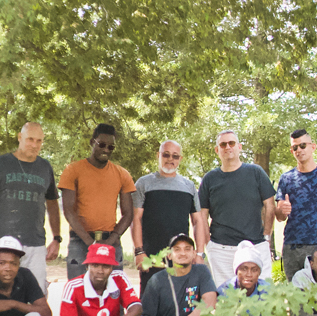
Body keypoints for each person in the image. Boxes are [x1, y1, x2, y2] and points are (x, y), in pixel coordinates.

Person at [0, 122, 61, 289]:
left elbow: (52, 204)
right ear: (20, 137)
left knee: (36, 297)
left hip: (35, 244)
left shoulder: (45, 167)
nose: (35, 144)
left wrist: (57, 238)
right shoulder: (1, 164)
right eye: (30, 139)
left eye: (39, 141)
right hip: (3, 243)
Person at [58, 123, 136, 280]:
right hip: (79, 241)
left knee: (113, 296)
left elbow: (128, 214)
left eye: (111, 147)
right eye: (101, 144)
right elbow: (69, 211)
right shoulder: (73, 170)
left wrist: (111, 240)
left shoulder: (122, 174)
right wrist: (90, 242)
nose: (106, 150)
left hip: (111, 241)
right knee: (77, 293)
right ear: (92, 142)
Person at [199, 131, 275, 286]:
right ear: (217, 150)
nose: (228, 147)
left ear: (239, 147)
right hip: (221, 250)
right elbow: (202, 215)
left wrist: (267, 237)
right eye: (223, 144)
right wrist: (209, 245)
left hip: (256, 245)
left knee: (263, 297)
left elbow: (270, 205)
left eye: (231, 143)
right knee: (227, 301)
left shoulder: (256, 172)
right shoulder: (209, 179)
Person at [131, 140, 208, 292]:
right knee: (150, 304)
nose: (170, 159)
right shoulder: (143, 184)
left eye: (175, 156)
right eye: (166, 155)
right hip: (151, 257)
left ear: (180, 159)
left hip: (181, 256)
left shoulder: (189, 186)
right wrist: (139, 252)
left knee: (180, 303)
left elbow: (198, 221)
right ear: (158, 155)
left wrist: (199, 254)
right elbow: (135, 219)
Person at [275, 128, 317, 281]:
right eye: (295, 147)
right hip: (292, 247)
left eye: (303, 145)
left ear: (313, 147)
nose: (299, 150)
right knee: (296, 299)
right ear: (292, 150)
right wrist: (281, 210)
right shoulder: (286, 179)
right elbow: (279, 216)